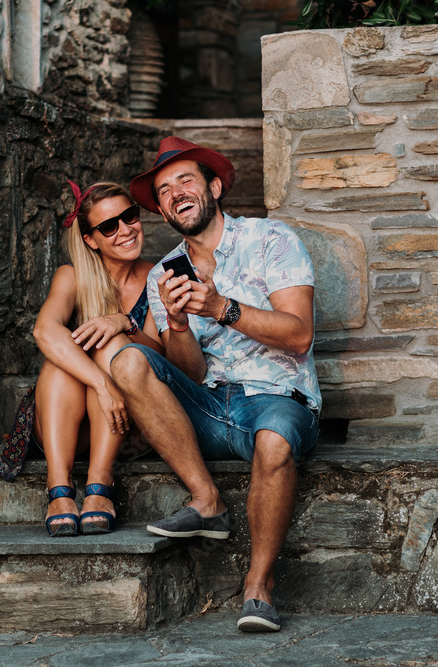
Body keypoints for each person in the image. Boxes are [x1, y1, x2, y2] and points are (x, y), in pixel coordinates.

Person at [109, 137, 321, 632]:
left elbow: (300, 335)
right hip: (209, 407)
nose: (175, 193)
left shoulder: (272, 239)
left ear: (215, 186)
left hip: (276, 400)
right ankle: (206, 500)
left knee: (273, 442)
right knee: (128, 360)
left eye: (185, 180)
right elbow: (193, 374)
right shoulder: (165, 274)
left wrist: (220, 308)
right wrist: (179, 323)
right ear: (162, 210)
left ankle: (258, 589)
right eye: (163, 190)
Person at [0, 180, 162, 537]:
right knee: (59, 360)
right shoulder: (72, 276)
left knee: (111, 344)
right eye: (108, 226)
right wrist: (101, 383)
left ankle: (100, 486)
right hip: (68, 419)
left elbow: (161, 353)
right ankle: (60, 491)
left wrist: (125, 323)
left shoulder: (157, 277)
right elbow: (44, 331)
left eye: (129, 216)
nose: (126, 230)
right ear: (90, 239)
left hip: (127, 419)